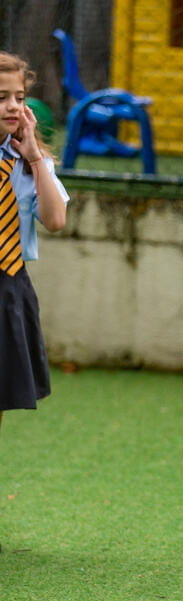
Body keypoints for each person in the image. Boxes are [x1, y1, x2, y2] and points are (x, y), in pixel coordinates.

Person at [0, 51, 69, 547]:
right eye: (1, 98)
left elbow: (55, 219)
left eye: (19, 98)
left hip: (9, 290)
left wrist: (34, 157)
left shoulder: (27, 161)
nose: (11, 107)